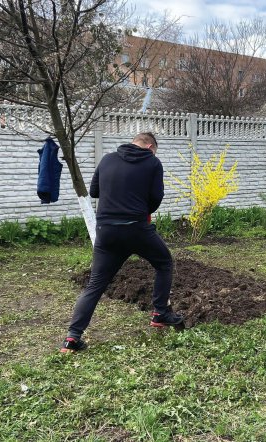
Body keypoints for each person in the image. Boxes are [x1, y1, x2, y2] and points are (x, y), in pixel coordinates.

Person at [60, 132, 183, 353]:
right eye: (154, 151)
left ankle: (72, 338)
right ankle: (160, 313)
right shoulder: (153, 162)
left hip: (106, 231)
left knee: (95, 284)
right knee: (164, 263)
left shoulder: (107, 159)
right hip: (136, 228)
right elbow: (156, 199)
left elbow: (95, 191)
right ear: (149, 147)